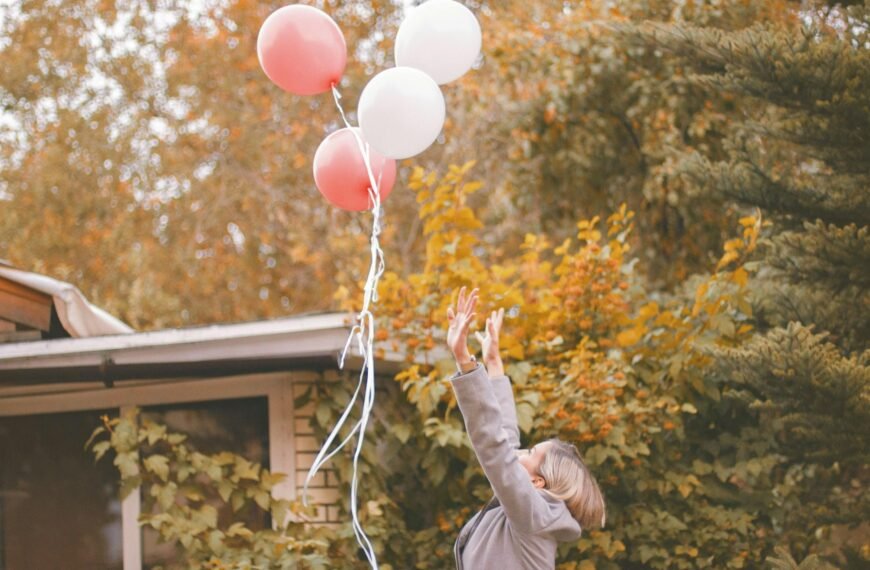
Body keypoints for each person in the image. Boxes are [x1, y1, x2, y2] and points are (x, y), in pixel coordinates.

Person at [446, 286, 606, 570]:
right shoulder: (534, 514)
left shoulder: (532, 515)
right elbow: (504, 441)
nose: (518, 453)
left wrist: (464, 361)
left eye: (530, 453)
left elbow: (496, 449)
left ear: (537, 482)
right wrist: (493, 365)